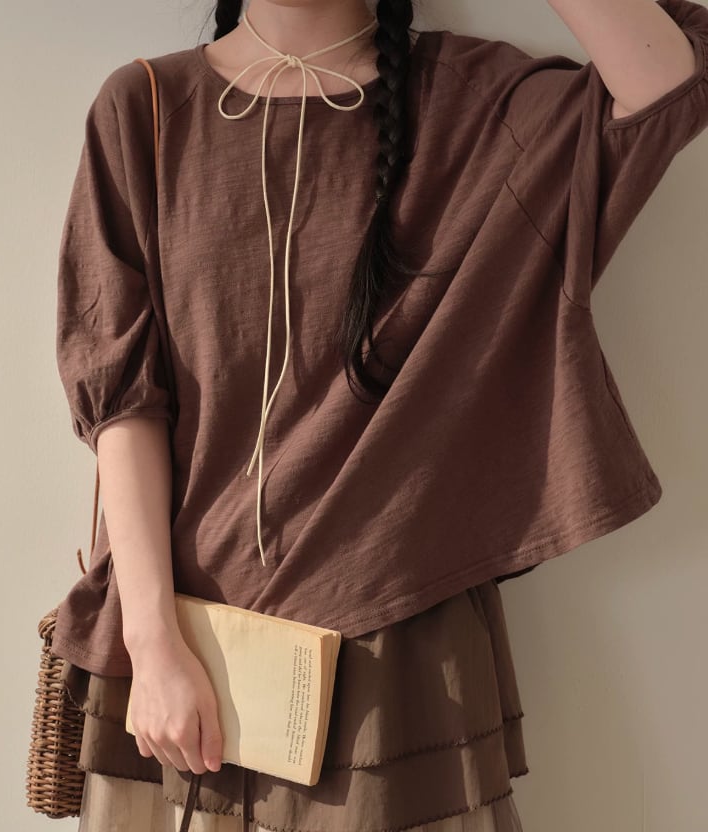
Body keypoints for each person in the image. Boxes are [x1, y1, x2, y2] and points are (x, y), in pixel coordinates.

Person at [50, 0, 708, 830]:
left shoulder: (472, 102)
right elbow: (122, 399)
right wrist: (150, 645)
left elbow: (665, 84)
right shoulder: (144, 108)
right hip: (185, 658)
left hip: (396, 652)